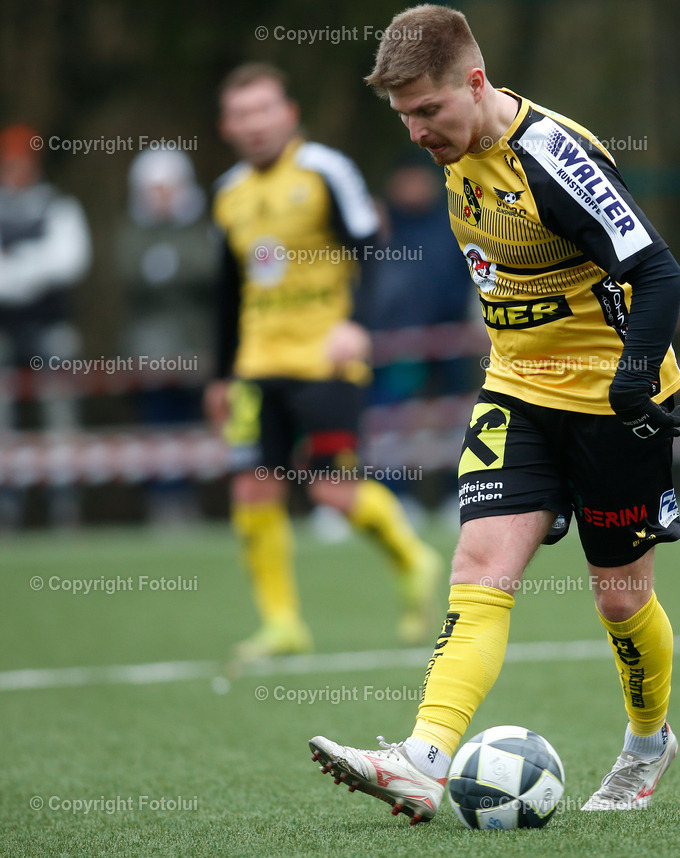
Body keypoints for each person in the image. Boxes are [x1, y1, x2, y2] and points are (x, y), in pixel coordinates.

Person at [309, 6, 680, 822]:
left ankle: (649, 741)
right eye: (403, 116)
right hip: (516, 391)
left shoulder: (554, 158)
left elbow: (661, 275)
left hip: (613, 403)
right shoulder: (453, 147)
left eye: (429, 112)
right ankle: (422, 759)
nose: (416, 132)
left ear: (475, 84)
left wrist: (630, 382)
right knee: (479, 567)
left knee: (619, 598)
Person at [206, 63, 442, 660]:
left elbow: (374, 250)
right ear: (226, 126)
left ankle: (414, 559)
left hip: (323, 357)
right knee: (253, 489)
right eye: (242, 114)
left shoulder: (324, 170)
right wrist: (220, 373)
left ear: (288, 114)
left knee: (331, 492)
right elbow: (227, 294)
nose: (254, 123)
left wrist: (357, 326)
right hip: (257, 366)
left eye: (264, 110)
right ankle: (283, 624)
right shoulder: (228, 194)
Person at [361, 153, 477, 518]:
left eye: (418, 179)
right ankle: (394, 497)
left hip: (452, 341)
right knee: (391, 419)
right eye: (404, 180)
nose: (412, 188)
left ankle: (457, 496)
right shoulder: (376, 225)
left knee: (459, 419)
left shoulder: (455, 221)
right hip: (395, 346)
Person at [117, 146, 216, 524]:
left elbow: (207, 270)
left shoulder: (198, 225)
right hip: (150, 350)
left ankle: (190, 499)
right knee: (157, 425)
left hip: (196, 345)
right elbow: (131, 273)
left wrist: (169, 266)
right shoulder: (134, 227)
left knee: (193, 423)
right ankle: (164, 502)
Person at [0, 123, 91, 528]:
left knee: (60, 417)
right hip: (5, 328)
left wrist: (19, 270)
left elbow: (69, 261)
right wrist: (31, 267)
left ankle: (63, 505)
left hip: (51, 326)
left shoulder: (58, 205)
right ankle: (8, 504)